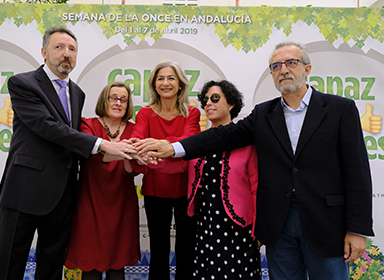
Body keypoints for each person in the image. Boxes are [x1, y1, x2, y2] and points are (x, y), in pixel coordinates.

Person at [136, 42, 374, 280]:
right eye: (276, 66)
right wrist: (173, 147)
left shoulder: (339, 109)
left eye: (291, 63)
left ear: (307, 68)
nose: (284, 70)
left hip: (325, 224)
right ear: (271, 73)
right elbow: (222, 136)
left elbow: (358, 172)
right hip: (279, 225)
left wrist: (357, 229)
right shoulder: (264, 114)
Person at [0, 26, 135, 280]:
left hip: (62, 195)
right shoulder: (22, 83)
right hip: (24, 189)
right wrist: (102, 144)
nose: (66, 54)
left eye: (72, 49)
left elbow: (72, 142)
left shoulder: (77, 93)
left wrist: (131, 152)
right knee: (9, 266)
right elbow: (48, 127)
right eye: (59, 47)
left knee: (51, 267)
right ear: (44, 52)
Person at [130, 59, 201, 280]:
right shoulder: (144, 114)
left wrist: (158, 146)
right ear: (154, 85)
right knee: (158, 248)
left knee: (186, 248)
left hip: (186, 191)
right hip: (154, 190)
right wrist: (172, 149)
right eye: (160, 78)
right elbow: (137, 142)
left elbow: (190, 143)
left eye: (171, 78)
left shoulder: (192, 113)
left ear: (180, 84)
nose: (166, 83)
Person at [64, 82, 140, 280]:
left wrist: (128, 156)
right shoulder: (88, 124)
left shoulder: (135, 129)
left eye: (123, 99)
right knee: (90, 265)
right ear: (103, 100)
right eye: (113, 98)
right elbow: (91, 154)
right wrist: (127, 152)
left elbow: (134, 170)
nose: (118, 103)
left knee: (118, 266)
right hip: (90, 200)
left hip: (123, 203)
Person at [189, 80, 260, 279]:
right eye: (205, 100)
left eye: (215, 98)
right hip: (205, 225)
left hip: (238, 226)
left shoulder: (246, 142)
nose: (208, 104)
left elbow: (257, 187)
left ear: (231, 104)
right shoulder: (198, 141)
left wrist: (258, 228)